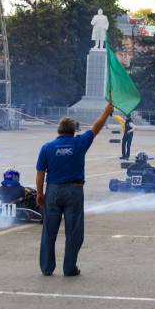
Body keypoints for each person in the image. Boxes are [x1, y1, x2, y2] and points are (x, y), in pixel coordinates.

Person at [36, 102, 113, 277]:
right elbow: (95, 128)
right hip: (74, 191)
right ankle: (69, 268)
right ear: (73, 130)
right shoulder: (79, 143)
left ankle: (47, 268)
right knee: (74, 232)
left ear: (59, 130)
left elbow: (40, 173)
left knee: (49, 232)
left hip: (53, 191)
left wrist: (40, 193)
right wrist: (106, 111)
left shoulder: (47, 147)